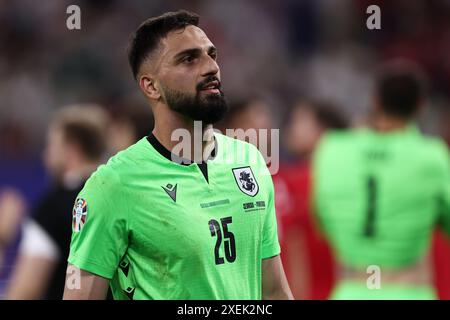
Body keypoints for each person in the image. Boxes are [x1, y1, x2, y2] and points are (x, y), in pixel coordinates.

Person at [63, 10, 293, 300]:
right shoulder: (114, 184)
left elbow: (272, 291)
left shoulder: (250, 160)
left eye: (212, 55)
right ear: (151, 86)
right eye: (189, 59)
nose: (211, 67)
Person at [313, 61, 450, 299]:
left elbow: (321, 220)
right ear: (421, 106)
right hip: (411, 291)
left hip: (349, 290)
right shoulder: (432, 156)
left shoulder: (331, 149)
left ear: (375, 101)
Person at [6, 104, 108, 299]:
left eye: (51, 146)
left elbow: (25, 292)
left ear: (71, 148)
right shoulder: (122, 196)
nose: (46, 156)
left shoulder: (52, 208)